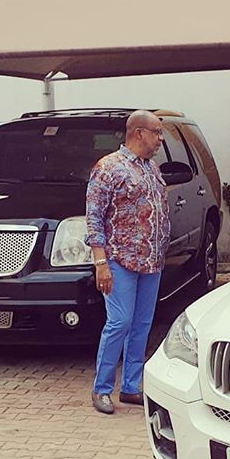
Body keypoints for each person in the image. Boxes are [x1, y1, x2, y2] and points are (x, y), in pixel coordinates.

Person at [86, 110, 170, 415]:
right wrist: (100, 263)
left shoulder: (152, 168)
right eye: (157, 133)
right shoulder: (108, 168)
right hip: (119, 260)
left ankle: (131, 387)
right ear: (138, 133)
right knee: (119, 322)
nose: (160, 139)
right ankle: (101, 388)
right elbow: (94, 218)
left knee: (142, 324)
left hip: (151, 261)